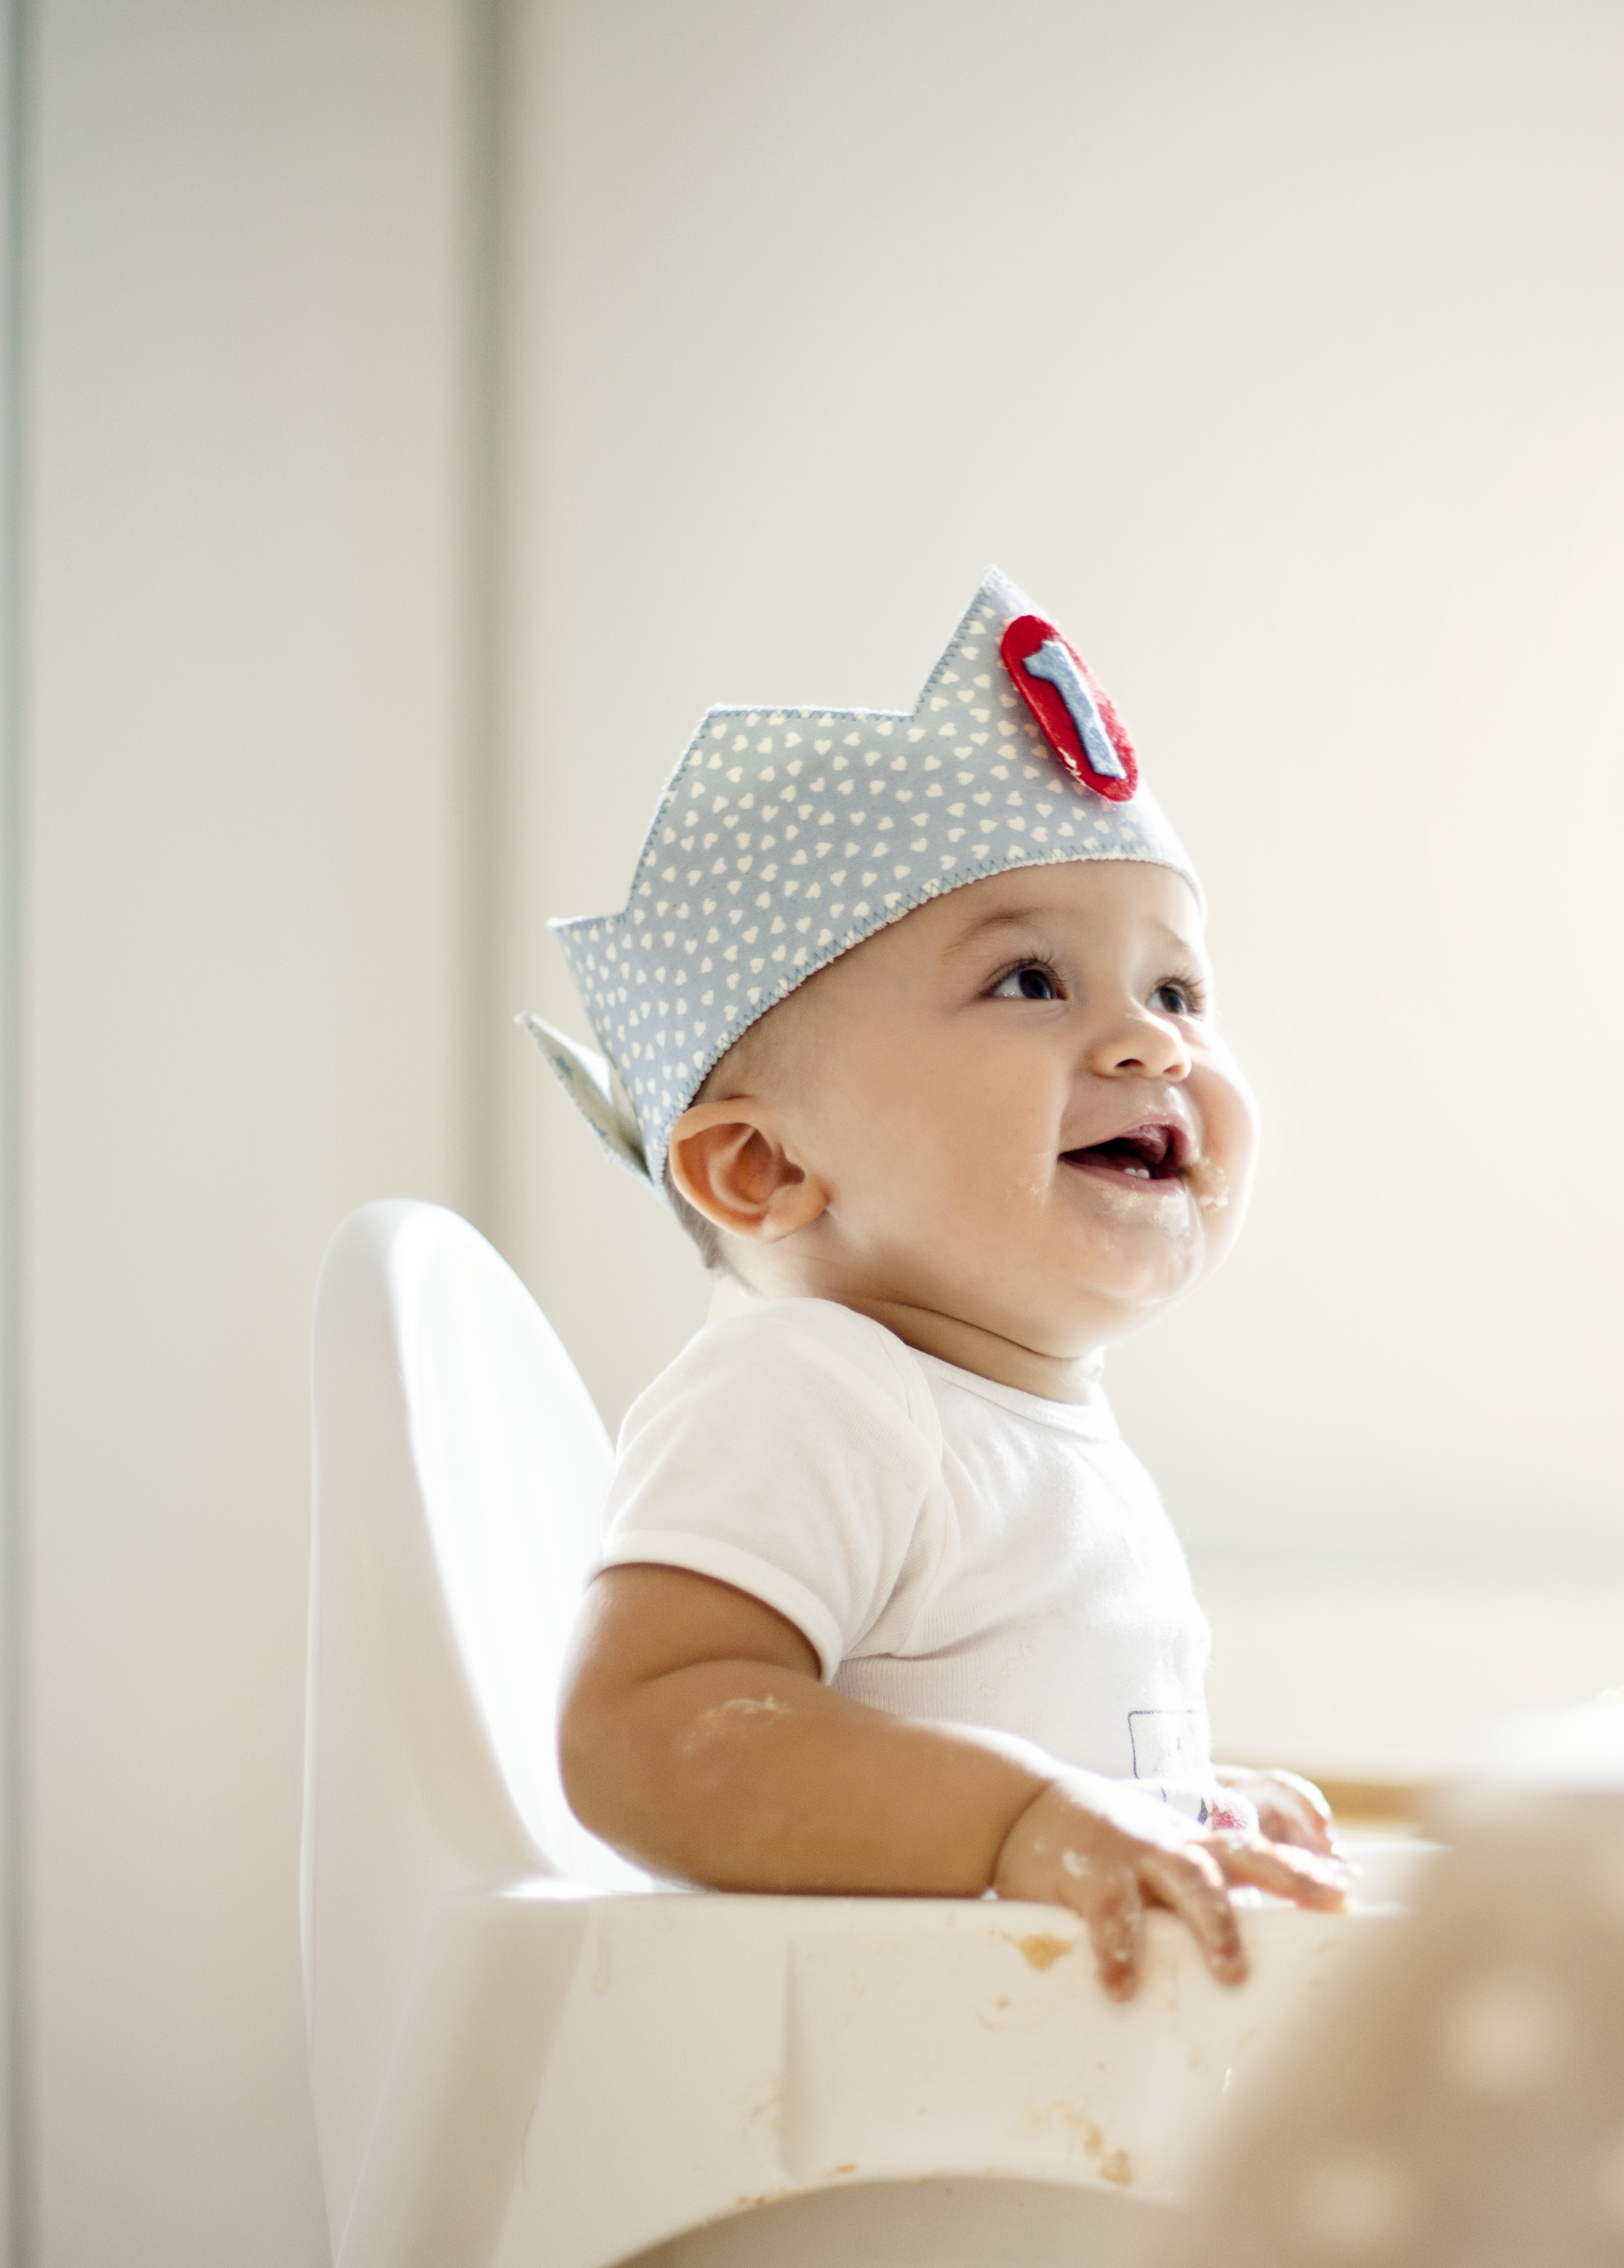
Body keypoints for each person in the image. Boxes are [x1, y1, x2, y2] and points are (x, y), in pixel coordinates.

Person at [521, 570, 1348, 1999]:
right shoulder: (807, 1385)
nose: (1150, 1044)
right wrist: (1019, 1822)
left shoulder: (1026, 1429)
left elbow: (1001, 1737)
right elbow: (642, 1728)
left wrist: (1180, 1818)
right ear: (763, 1172)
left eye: (1176, 990)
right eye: (1031, 981)